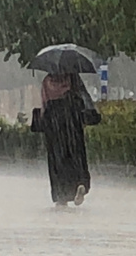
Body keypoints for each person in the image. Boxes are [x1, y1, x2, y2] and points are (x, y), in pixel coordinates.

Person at [35, 73, 100, 207]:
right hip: (72, 117)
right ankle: (80, 182)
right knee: (77, 154)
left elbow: (44, 103)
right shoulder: (73, 78)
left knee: (57, 160)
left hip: (53, 121)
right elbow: (84, 97)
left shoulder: (47, 80)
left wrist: (44, 119)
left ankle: (61, 196)